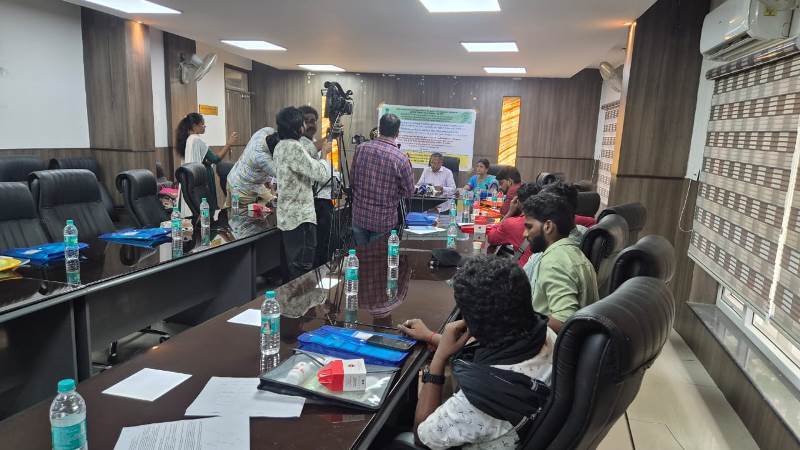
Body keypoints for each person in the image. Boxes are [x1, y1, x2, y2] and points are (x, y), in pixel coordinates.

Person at [398, 256, 555, 450]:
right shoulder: (547, 335)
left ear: (469, 324)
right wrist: (431, 336)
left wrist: (438, 360)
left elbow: (422, 436)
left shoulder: (476, 404)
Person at [522, 193, 598, 332]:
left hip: (546, 343)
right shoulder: (571, 252)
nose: (525, 234)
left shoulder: (555, 262)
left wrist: (519, 320)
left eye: (529, 227)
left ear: (548, 226)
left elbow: (564, 321)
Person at [273, 106, 332, 279]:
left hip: (287, 218)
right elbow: (321, 174)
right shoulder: (294, 147)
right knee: (302, 271)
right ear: (297, 127)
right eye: (303, 123)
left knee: (291, 269)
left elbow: (303, 163)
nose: (305, 127)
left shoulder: (280, 146)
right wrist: (325, 154)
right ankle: (302, 297)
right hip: (300, 220)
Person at [350, 113, 415, 246]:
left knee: (360, 256)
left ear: (379, 129)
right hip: (383, 222)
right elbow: (409, 192)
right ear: (397, 133)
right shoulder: (401, 158)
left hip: (359, 217)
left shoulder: (361, 149)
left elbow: (352, 181)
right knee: (379, 259)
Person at [297, 105, 338, 266]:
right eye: (307, 121)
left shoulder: (312, 142)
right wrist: (325, 152)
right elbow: (320, 175)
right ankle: (316, 274)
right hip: (315, 202)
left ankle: (323, 270)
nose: (311, 124)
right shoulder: (299, 144)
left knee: (325, 242)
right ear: (299, 123)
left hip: (323, 200)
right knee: (318, 246)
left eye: (313, 121)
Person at [175, 112, 238, 217]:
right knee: (207, 209)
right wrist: (229, 144)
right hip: (202, 178)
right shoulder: (197, 139)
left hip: (190, 179)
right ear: (195, 126)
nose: (204, 126)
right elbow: (215, 159)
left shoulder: (188, 139)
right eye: (202, 124)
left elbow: (201, 160)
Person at [487, 182, 540, 266]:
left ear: (517, 201)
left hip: (523, 271)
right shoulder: (549, 222)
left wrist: (509, 212)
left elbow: (491, 238)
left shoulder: (512, 224)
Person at [225, 126, 277, 209]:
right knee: (242, 214)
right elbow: (281, 175)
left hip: (233, 178)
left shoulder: (262, 133)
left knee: (228, 210)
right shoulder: (262, 157)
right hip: (242, 190)